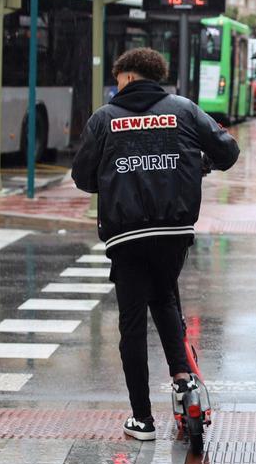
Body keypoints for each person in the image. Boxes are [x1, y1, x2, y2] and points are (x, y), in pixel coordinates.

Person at [72, 47, 240, 441]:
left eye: (118, 81)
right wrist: (199, 164)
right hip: (174, 231)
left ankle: (142, 419)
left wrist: (112, 178)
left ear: (129, 77)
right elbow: (228, 151)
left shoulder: (104, 118)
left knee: (132, 322)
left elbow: (82, 177)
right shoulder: (183, 109)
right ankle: (183, 382)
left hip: (126, 235)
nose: (117, 88)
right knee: (164, 298)